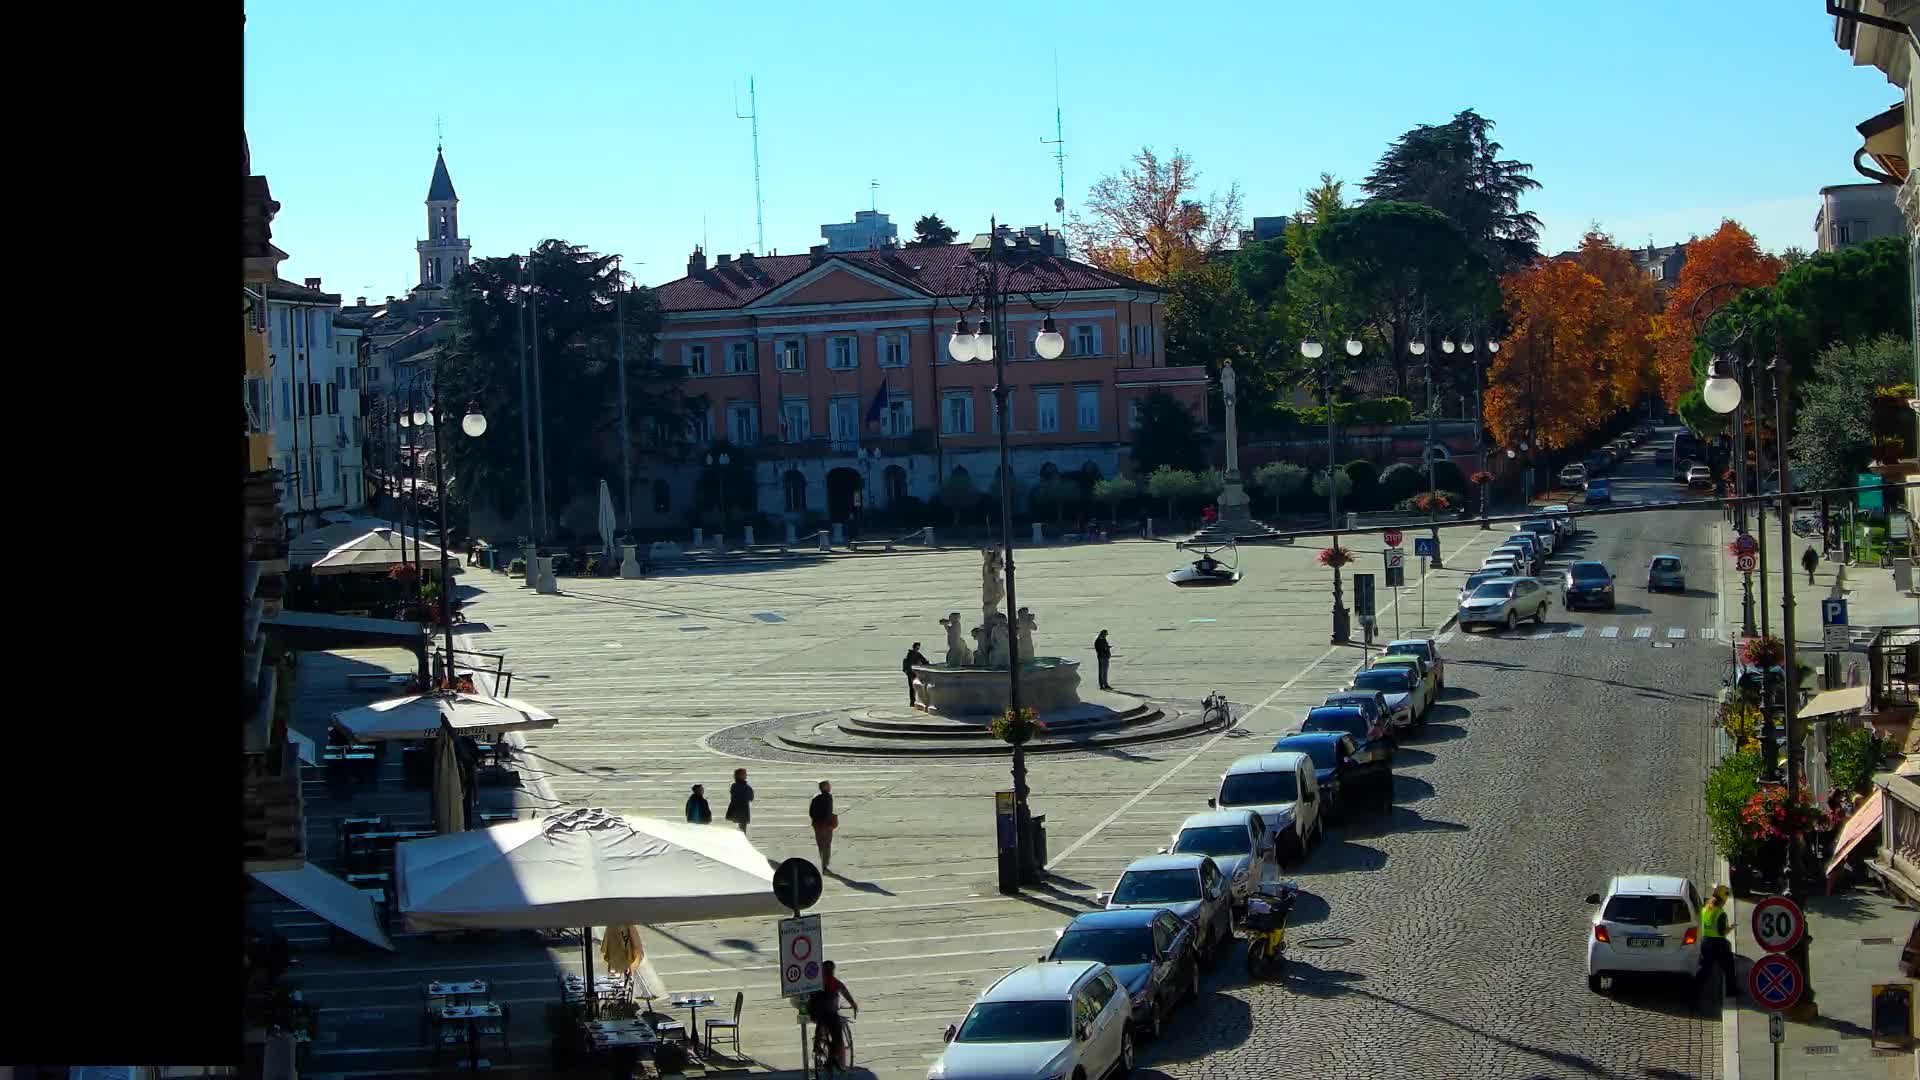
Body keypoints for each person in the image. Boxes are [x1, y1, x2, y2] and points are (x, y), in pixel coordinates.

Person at [808, 959, 858, 1067]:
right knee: (837, 1033)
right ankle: (834, 1056)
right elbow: (846, 994)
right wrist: (853, 1005)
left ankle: (818, 1044)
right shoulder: (835, 982)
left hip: (815, 1013)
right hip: (830, 1014)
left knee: (821, 1021)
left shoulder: (816, 982)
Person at [1699, 884, 1737, 998]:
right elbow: (1722, 932)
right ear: (1723, 900)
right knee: (1729, 968)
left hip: (1705, 942)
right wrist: (1731, 927)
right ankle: (1731, 991)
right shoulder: (1720, 913)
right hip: (1719, 944)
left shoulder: (1705, 908)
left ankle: (1696, 989)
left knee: (1705, 969)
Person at [809, 780, 837, 873]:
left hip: (817, 825)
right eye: (829, 785)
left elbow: (811, 812)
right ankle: (824, 867)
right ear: (825, 787)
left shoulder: (815, 799)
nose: (830, 787)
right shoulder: (828, 797)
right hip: (826, 826)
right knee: (826, 846)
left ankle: (822, 865)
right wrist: (830, 821)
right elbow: (828, 812)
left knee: (821, 845)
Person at [724, 768, 753, 833]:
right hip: (742, 811)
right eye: (744, 774)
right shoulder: (745, 786)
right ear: (740, 775)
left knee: (738, 829)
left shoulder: (734, 786)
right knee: (742, 830)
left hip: (735, 810)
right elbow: (750, 797)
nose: (746, 775)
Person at [902, 642, 929, 708]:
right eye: (917, 647)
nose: (917, 648)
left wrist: (927, 664)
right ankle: (912, 702)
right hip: (911, 673)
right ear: (914, 647)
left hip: (915, 673)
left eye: (918, 647)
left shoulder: (917, 654)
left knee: (915, 687)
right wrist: (908, 672)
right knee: (912, 688)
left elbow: (924, 660)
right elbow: (906, 664)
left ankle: (915, 701)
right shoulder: (909, 655)